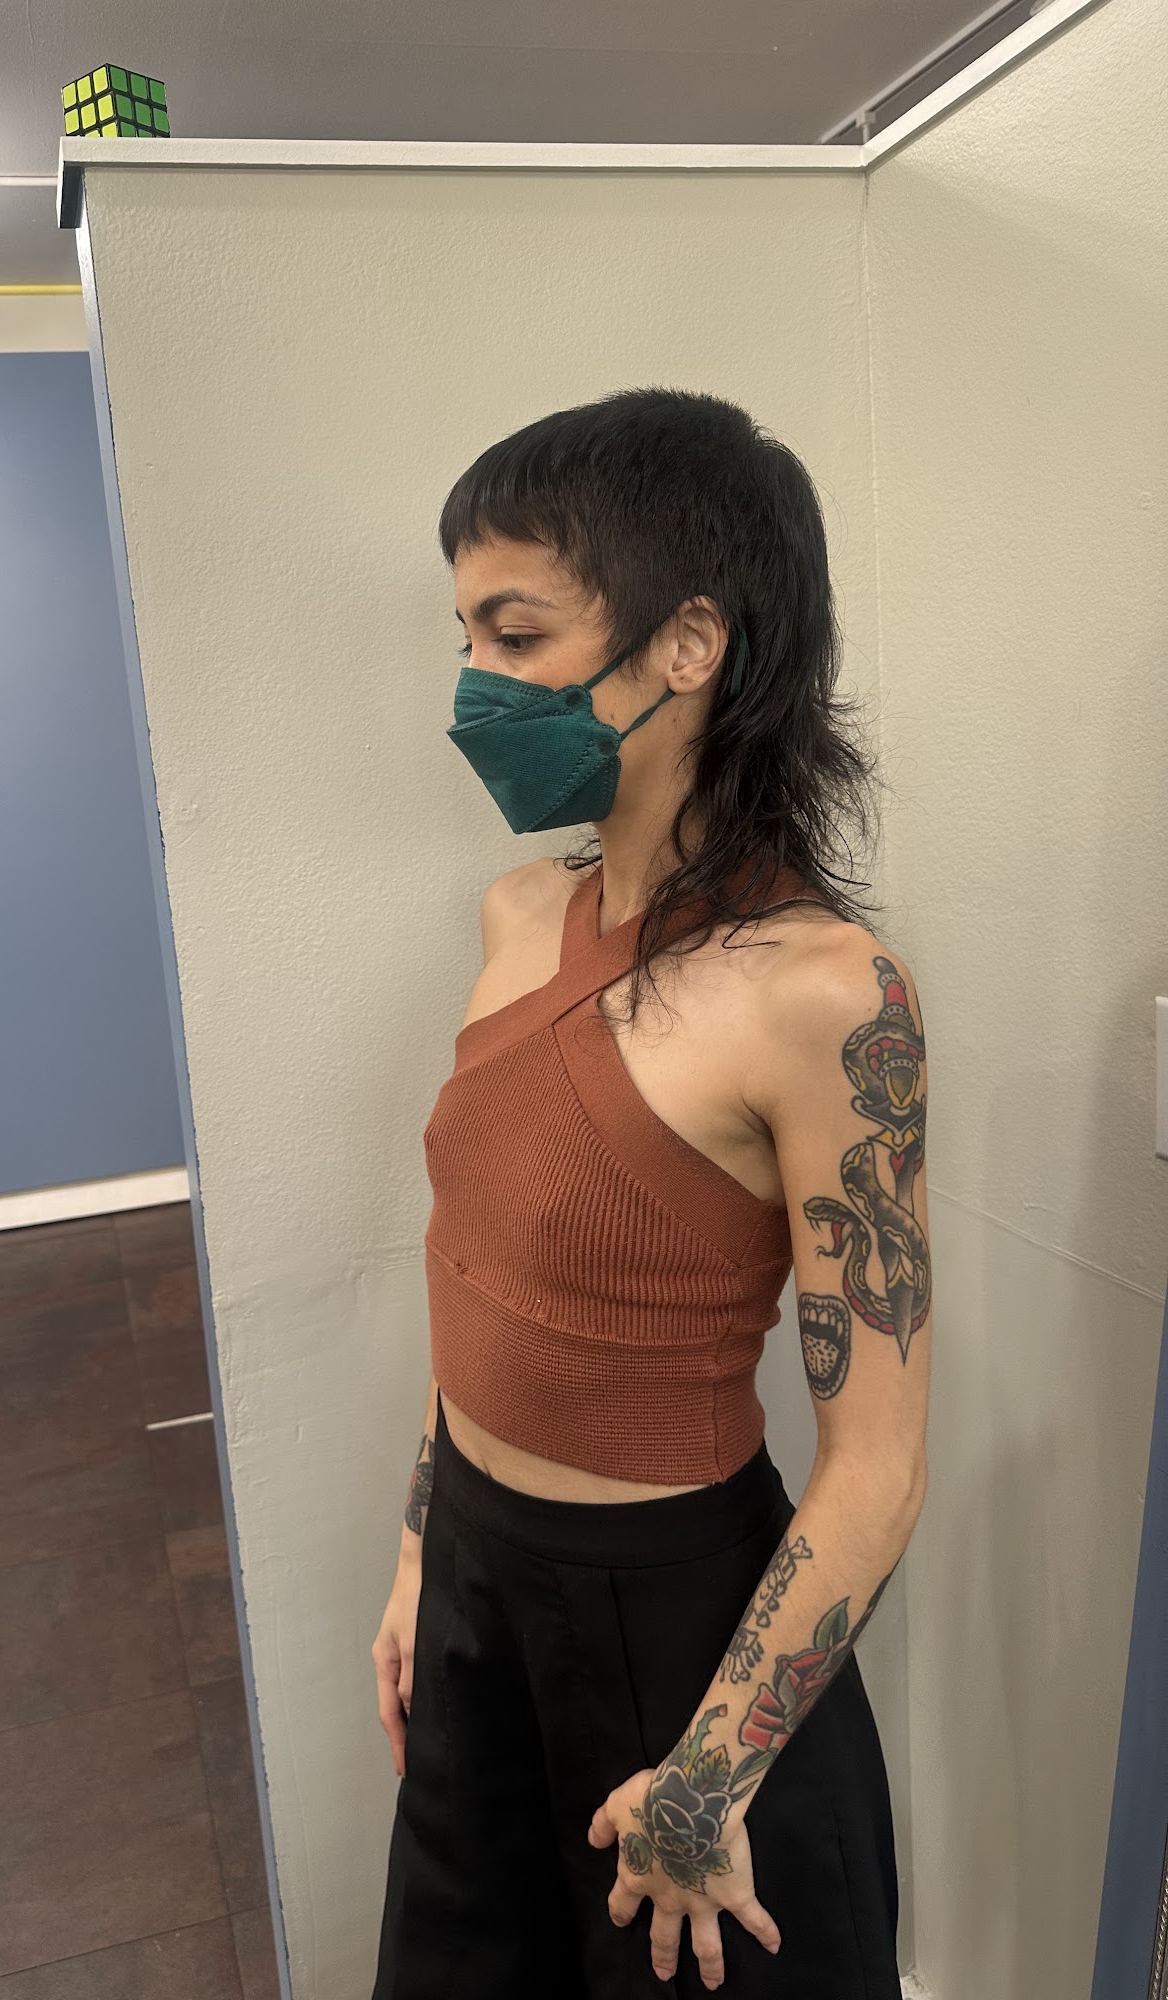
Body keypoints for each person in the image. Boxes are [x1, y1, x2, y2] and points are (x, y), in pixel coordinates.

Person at [369, 387, 930, 1999]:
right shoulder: (513, 919)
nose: (477, 686)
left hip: (680, 1640)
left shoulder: (829, 995)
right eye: (466, 637)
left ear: (688, 643)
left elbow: (879, 1464)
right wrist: (422, 1555)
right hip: (476, 1590)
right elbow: (478, 1274)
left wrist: (707, 1779)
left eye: (516, 634)